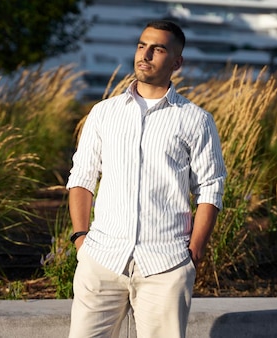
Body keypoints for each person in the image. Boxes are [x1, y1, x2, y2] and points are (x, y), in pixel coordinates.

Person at [66, 20, 227, 338]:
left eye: (158, 48)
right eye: (142, 45)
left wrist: (194, 251)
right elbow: (82, 177)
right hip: (101, 258)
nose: (146, 54)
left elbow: (210, 188)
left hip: (165, 265)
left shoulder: (196, 120)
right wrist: (80, 240)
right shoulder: (104, 113)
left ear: (176, 62)